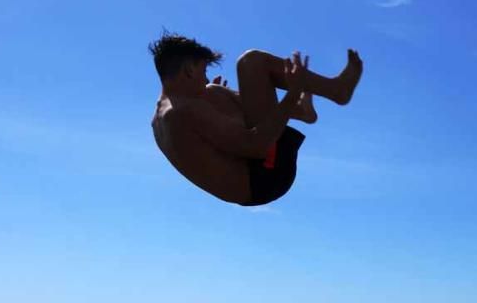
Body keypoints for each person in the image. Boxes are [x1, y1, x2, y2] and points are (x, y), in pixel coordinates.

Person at [149, 33, 363, 206]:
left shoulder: (163, 115)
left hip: (250, 172)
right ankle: (336, 91)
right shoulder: (186, 111)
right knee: (252, 62)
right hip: (264, 178)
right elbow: (257, 147)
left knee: (213, 91)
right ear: (188, 70)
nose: (205, 78)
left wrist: (223, 105)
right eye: (203, 70)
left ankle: (302, 111)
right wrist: (292, 92)